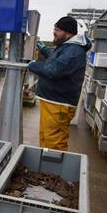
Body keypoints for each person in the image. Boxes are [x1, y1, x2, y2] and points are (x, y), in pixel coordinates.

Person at [28, 16, 92, 151]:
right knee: (46, 138)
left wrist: (32, 65)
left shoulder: (74, 51)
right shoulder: (69, 47)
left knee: (54, 143)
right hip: (52, 102)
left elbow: (53, 70)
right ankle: (45, 168)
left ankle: (54, 171)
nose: (54, 32)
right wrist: (44, 49)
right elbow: (57, 60)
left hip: (58, 105)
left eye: (57, 29)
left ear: (68, 33)